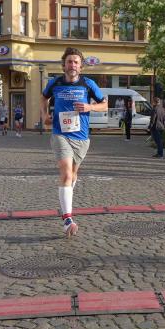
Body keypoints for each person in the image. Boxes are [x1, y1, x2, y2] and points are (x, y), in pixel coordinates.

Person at [41, 47, 107, 237]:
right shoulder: (55, 83)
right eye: (69, 61)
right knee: (66, 173)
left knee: (73, 175)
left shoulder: (88, 84)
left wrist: (89, 107)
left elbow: (105, 104)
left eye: (76, 62)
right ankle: (67, 219)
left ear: (81, 66)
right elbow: (44, 98)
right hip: (60, 134)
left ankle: (65, 199)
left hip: (82, 138)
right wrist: (44, 115)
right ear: (64, 65)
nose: (72, 65)